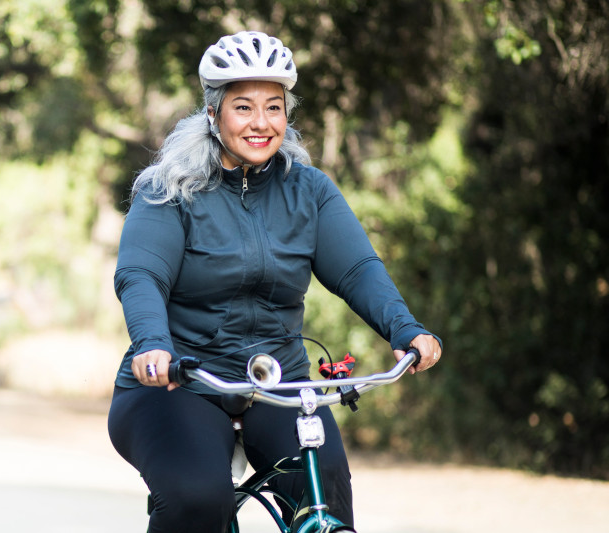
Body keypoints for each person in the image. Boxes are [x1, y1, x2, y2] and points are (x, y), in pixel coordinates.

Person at [108, 30, 442, 533]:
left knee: (324, 488)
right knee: (198, 498)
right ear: (214, 113)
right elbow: (142, 275)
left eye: (274, 107)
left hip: (278, 384)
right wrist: (153, 346)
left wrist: (404, 328)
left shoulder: (307, 190)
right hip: (181, 382)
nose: (261, 123)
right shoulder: (168, 189)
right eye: (243, 107)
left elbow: (356, 270)